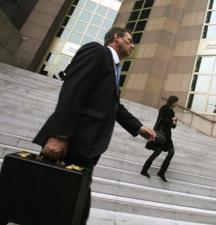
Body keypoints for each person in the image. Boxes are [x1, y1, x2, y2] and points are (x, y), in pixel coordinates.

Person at [31, 27, 156, 225]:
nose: (133, 45)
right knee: (55, 203)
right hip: (71, 143)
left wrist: (138, 127)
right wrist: (59, 136)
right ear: (116, 38)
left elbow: (112, 105)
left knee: (73, 206)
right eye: (130, 40)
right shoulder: (97, 52)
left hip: (85, 148)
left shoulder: (114, 67)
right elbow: (73, 91)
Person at [141, 96, 179, 182]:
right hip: (161, 134)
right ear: (172, 101)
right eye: (176, 102)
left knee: (171, 152)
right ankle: (144, 170)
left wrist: (175, 121)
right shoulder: (164, 108)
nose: (177, 104)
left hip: (167, 135)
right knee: (157, 152)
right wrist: (171, 120)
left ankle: (161, 172)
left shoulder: (172, 112)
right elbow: (162, 119)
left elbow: (172, 126)